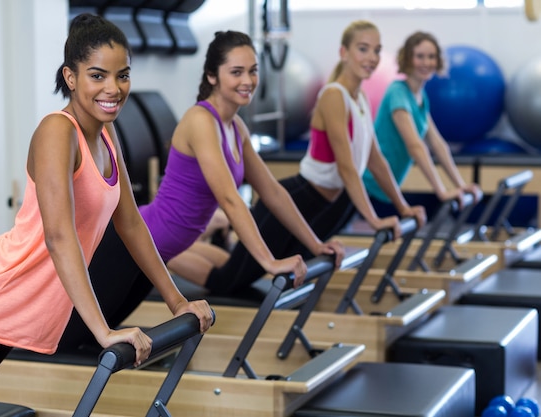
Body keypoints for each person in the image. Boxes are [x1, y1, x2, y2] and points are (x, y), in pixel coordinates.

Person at [0, 13, 212, 416]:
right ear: (70, 77)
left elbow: (131, 224)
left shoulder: (107, 136)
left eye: (122, 75)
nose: (113, 88)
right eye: (98, 76)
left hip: (17, 312)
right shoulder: (58, 131)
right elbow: (58, 235)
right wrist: (102, 330)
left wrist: (178, 302)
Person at [58, 30, 343, 351]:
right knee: (73, 341)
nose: (247, 80)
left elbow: (274, 193)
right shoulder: (201, 121)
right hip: (131, 245)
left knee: (98, 344)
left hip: (155, 255)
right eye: (236, 72)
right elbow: (230, 200)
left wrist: (316, 245)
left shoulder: (236, 128)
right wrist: (269, 262)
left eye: (252, 71)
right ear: (212, 76)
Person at [181, 20, 427, 296]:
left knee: (239, 268)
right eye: (363, 49)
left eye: (376, 51)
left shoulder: (360, 100)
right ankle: (164, 250)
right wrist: (374, 220)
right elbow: (347, 167)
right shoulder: (334, 96)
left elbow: (375, 160)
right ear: (344, 52)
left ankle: (182, 243)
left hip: (320, 204)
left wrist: (402, 207)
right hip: (300, 198)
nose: (371, 58)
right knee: (225, 282)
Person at [362, 31, 482, 218]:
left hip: (387, 188)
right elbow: (415, 146)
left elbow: (437, 144)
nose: (426, 63)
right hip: (370, 185)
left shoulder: (420, 97)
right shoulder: (398, 92)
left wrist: (460, 184)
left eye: (431, 57)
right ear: (408, 59)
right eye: (420, 56)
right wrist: (441, 191)